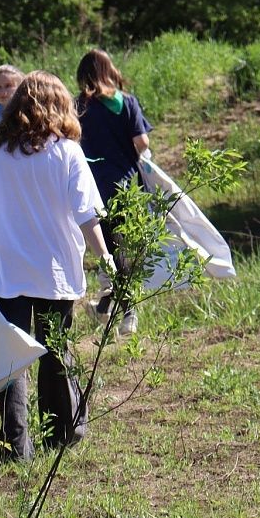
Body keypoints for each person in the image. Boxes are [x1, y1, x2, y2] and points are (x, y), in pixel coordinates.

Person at [0, 70, 114, 462]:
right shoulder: (67, 152)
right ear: (60, 105)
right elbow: (87, 215)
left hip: (7, 270)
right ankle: (63, 432)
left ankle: (15, 445)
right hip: (54, 271)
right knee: (55, 351)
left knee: (10, 356)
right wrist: (105, 257)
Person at [74, 48, 153, 335]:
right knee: (122, 249)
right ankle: (114, 309)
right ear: (110, 71)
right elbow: (142, 142)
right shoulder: (126, 102)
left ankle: (121, 310)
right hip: (129, 184)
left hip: (95, 186)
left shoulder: (78, 106)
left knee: (111, 250)